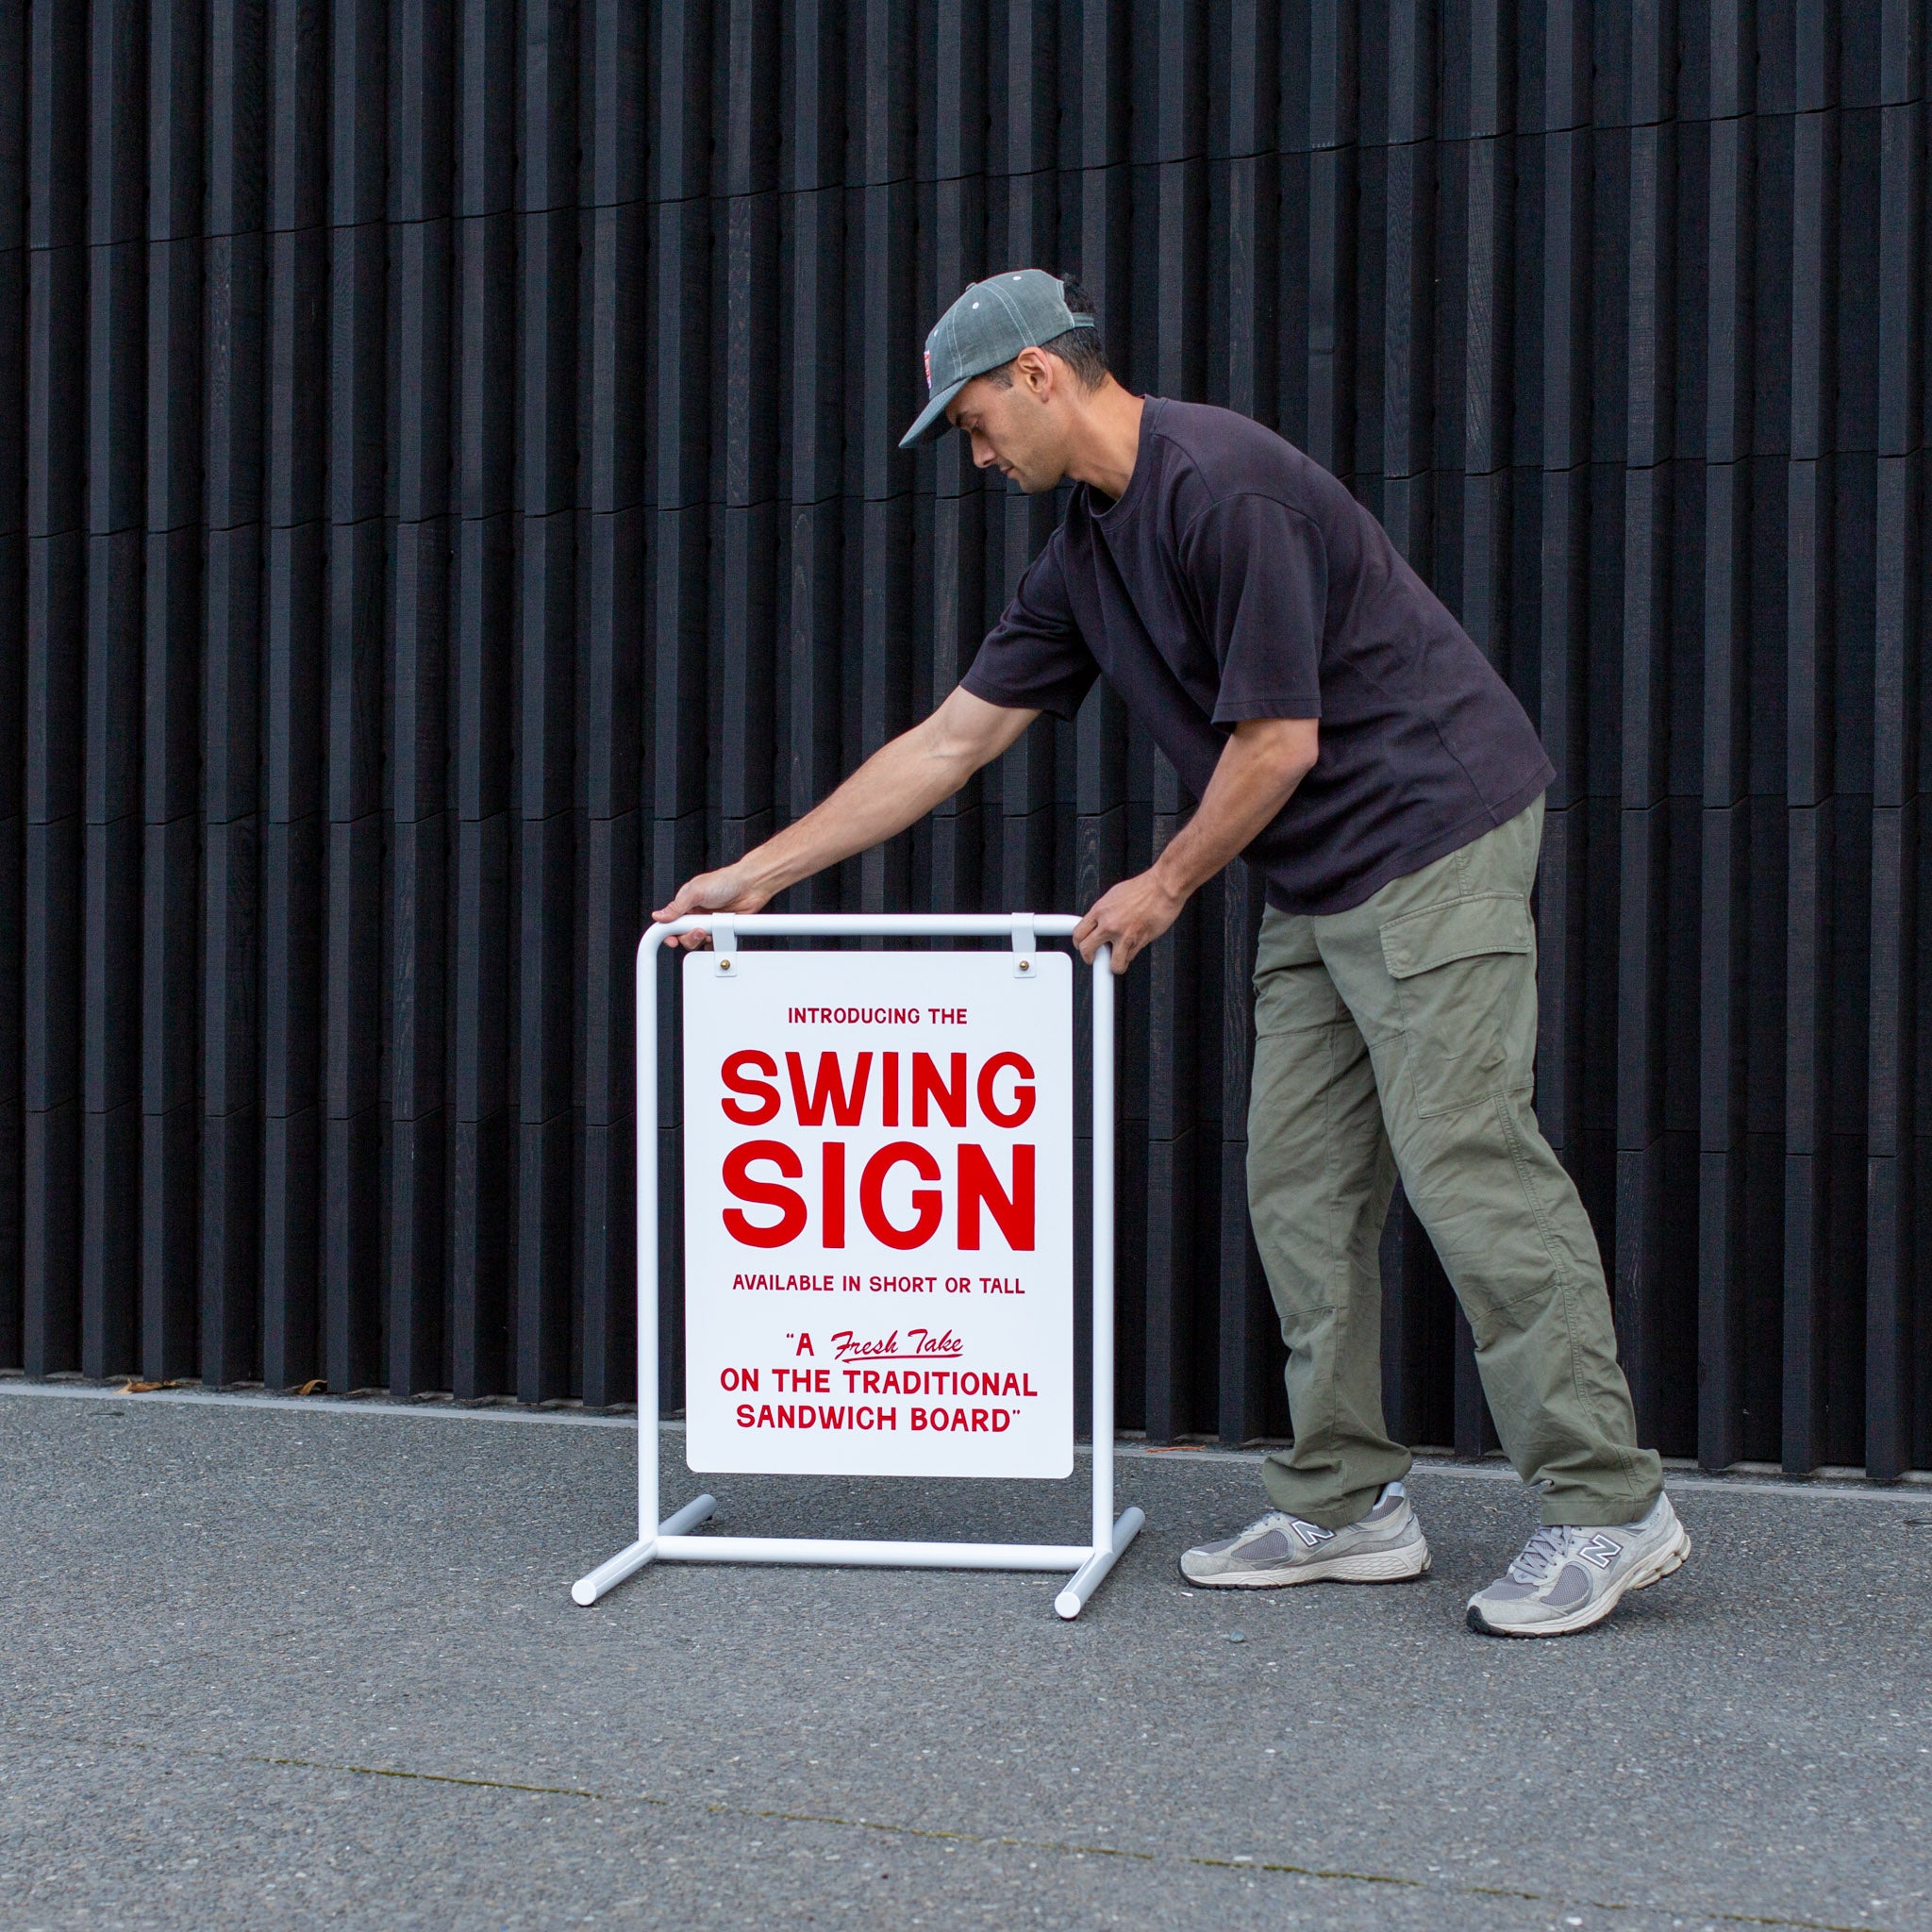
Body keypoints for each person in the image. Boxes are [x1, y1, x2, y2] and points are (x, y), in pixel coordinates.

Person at [655, 269, 1690, 1639]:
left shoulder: (1221, 488)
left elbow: (1279, 742)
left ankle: (1610, 1510)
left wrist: (1164, 883)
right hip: (1315, 874)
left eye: (972, 423)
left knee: (1469, 1166)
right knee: (1300, 1190)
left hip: (1434, 831)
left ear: (1038, 375)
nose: (974, 455)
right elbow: (952, 741)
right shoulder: (1084, 553)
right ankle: (1347, 1507)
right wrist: (751, 881)